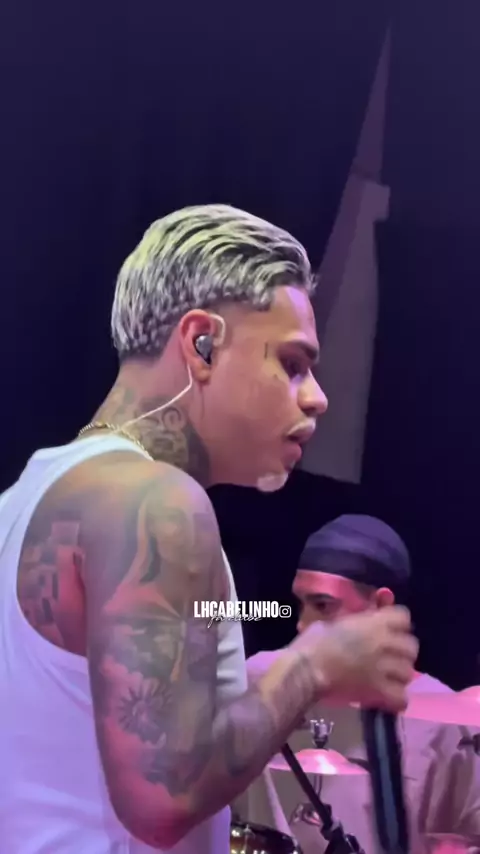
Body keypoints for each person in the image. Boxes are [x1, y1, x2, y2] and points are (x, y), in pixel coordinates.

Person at [0, 206, 418, 854]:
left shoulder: (29, 495)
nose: (317, 397)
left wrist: (268, 660)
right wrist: (314, 663)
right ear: (202, 344)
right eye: (292, 363)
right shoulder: (155, 501)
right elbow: (163, 794)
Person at [243, 515, 480, 853]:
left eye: (323, 606)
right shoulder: (261, 679)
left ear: (380, 605)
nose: (302, 625)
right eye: (301, 603)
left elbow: (464, 840)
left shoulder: (445, 722)